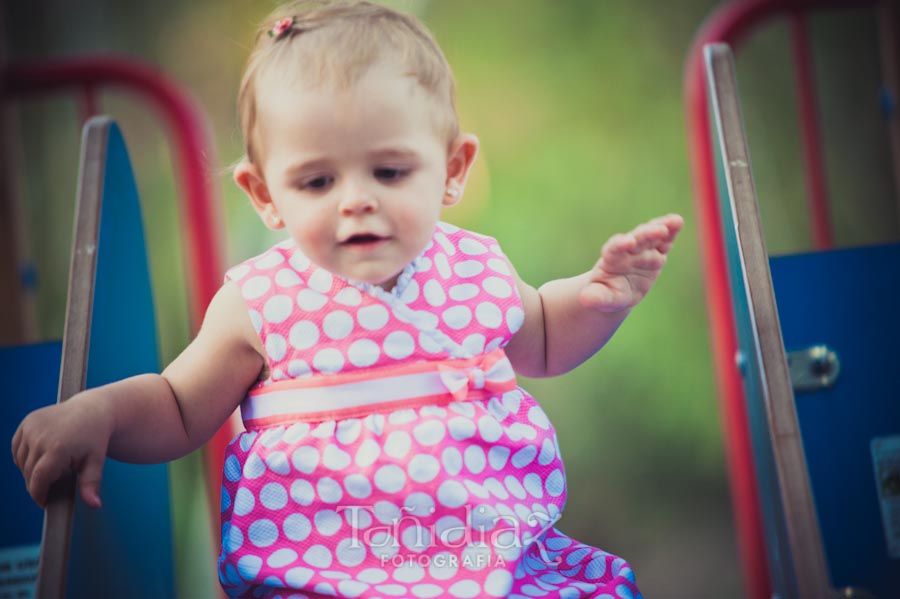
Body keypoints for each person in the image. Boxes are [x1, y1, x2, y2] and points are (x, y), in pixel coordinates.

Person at [12, 1, 683, 597]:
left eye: (389, 171)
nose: (356, 197)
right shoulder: (261, 300)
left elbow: (543, 338)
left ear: (451, 170)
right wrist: (99, 411)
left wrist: (597, 298)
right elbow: (179, 404)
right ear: (264, 194)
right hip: (324, 574)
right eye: (316, 181)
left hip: (490, 566)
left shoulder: (476, 268)